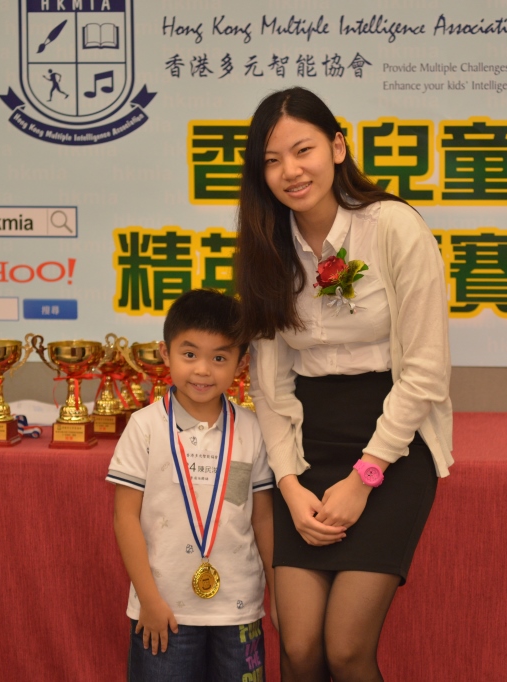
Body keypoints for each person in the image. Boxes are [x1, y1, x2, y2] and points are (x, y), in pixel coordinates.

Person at [235, 87, 453, 682]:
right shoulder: (266, 245)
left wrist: (364, 478)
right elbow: (270, 383)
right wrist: (288, 484)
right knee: (300, 646)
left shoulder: (394, 227)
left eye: (302, 150)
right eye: (272, 161)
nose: (290, 171)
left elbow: (426, 371)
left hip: (392, 448)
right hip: (306, 447)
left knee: (347, 651)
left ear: (337, 146)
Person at [106, 288, 276, 682]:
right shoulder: (145, 426)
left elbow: (264, 519)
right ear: (165, 354)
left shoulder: (251, 429)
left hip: (239, 609)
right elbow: (125, 517)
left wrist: (279, 594)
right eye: (189, 354)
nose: (203, 370)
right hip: (163, 611)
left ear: (241, 362)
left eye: (219, 358)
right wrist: (149, 600)